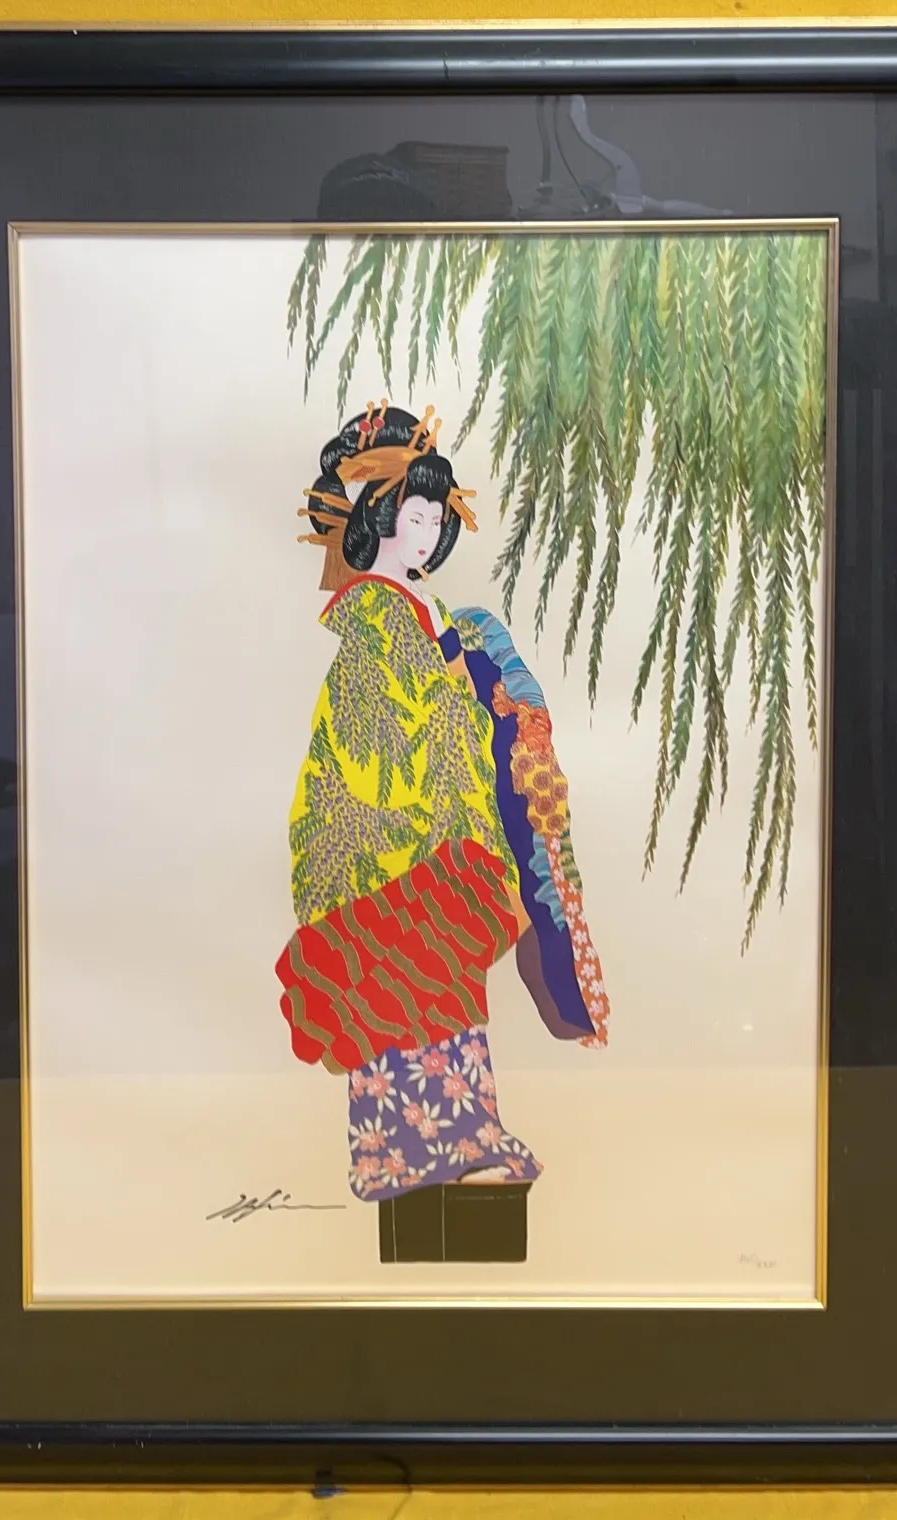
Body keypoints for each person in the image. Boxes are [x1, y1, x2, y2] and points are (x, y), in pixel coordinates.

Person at [276, 402, 609, 1203]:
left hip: (453, 835)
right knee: (398, 987)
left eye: (435, 518)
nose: (426, 534)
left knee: (449, 993)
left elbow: (469, 711)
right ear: (378, 517)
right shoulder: (374, 623)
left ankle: (465, 1138)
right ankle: (396, 1157)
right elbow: (379, 739)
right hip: (394, 838)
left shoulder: (439, 616)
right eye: (413, 515)